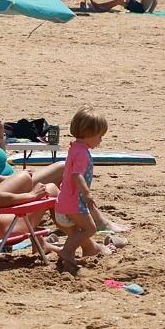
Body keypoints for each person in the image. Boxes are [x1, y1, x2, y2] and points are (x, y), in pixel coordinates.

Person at [55, 109, 112, 274]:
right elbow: (76, 175)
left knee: (80, 230)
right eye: (99, 136)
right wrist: (87, 193)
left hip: (65, 199)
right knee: (90, 229)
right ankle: (66, 251)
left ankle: (70, 256)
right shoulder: (82, 153)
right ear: (88, 133)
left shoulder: (75, 148)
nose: (100, 140)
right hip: (74, 201)